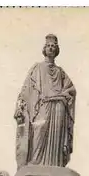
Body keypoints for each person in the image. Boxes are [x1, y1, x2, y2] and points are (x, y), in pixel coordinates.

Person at [14, 34, 76, 168]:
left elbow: (71, 90)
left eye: (54, 46)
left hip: (58, 108)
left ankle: (56, 165)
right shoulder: (37, 68)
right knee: (39, 131)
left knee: (56, 142)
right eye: (48, 46)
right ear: (44, 49)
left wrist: (62, 96)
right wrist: (20, 107)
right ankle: (34, 163)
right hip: (43, 106)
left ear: (57, 50)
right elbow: (26, 90)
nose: (51, 48)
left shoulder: (60, 72)